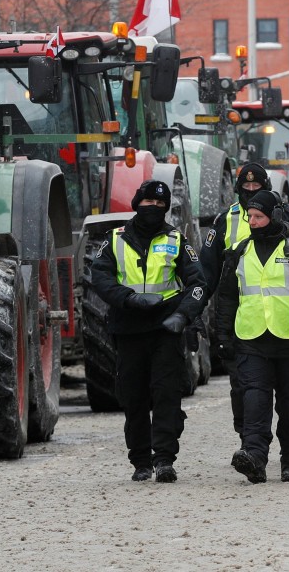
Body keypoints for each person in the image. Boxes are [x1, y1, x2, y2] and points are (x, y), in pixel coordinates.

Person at [90, 179, 207, 482]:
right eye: (148, 203)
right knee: (133, 398)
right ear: (136, 204)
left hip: (165, 329)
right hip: (128, 328)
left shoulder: (177, 240)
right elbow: (100, 278)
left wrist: (182, 316)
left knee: (167, 395)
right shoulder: (114, 240)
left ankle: (165, 459)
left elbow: (197, 284)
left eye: (160, 205)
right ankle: (141, 461)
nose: (153, 208)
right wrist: (128, 299)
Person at [215, 190, 289, 484]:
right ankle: (254, 455)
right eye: (250, 217)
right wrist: (223, 336)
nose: (253, 222)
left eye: (259, 216)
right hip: (252, 339)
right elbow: (227, 298)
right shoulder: (238, 252)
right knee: (253, 398)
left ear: (274, 216)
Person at [201, 162, 272, 443]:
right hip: (238, 317)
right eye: (246, 187)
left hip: (282, 319)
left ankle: (286, 451)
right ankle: (249, 440)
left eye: (257, 187)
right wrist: (193, 313)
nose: (251, 191)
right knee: (243, 386)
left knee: (286, 392)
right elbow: (206, 274)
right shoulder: (224, 221)